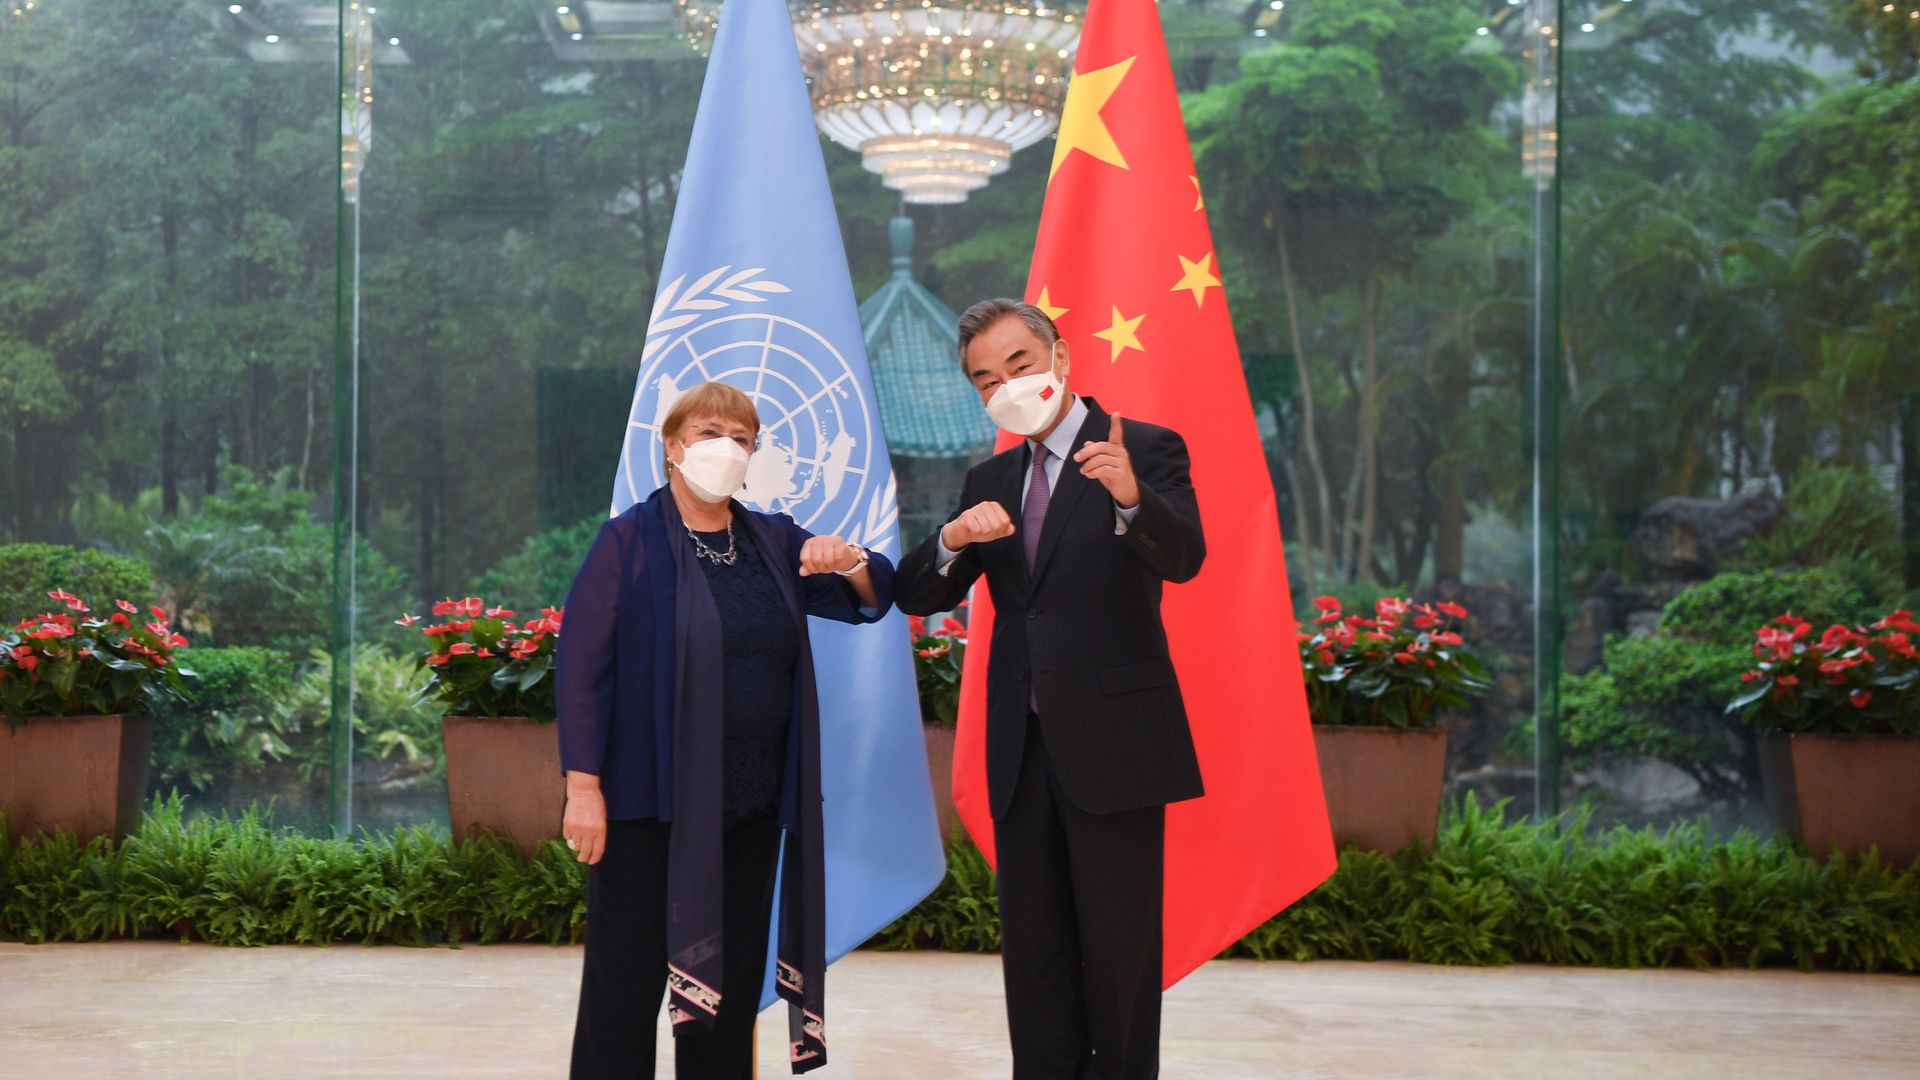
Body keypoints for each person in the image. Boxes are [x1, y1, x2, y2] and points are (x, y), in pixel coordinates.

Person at [894, 298, 1206, 1079]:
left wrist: (1133, 497)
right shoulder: (989, 476)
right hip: (1022, 752)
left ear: (1059, 357)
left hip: (1119, 748)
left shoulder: (1144, 446)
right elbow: (915, 594)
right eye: (985, 379)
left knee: (1120, 958)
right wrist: (952, 538)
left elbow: (1185, 558)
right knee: (1034, 960)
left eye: (1019, 364)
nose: (1005, 385)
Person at [554, 380, 892, 1079]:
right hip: (648, 806)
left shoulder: (772, 539)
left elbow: (872, 597)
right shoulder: (628, 543)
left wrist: (851, 561)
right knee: (624, 991)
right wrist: (582, 789)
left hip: (751, 806)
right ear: (674, 446)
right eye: (711, 433)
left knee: (728, 995)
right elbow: (580, 669)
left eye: (742, 438)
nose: (727, 449)